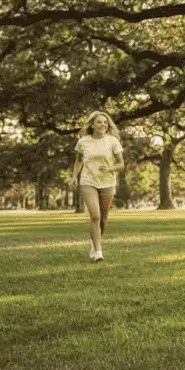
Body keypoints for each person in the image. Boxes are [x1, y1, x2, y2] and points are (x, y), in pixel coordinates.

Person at [69, 111, 125, 262]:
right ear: (92, 125)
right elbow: (79, 161)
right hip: (88, 182)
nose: (103, 125)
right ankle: (98, 252)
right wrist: (74, 177)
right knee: (95, 216)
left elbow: (121, 164)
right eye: (99, 122)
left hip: (108, 183)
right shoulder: (83, 142)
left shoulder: (112, 141)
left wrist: (110, 169)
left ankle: (94, 242)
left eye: (105, 122)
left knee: (103, 219)